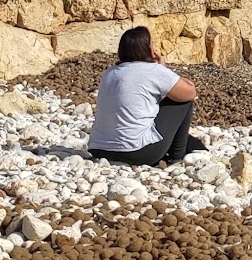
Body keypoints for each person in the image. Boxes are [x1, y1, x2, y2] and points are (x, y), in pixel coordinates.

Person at [87, 26, 206, 166]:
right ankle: (176, 157)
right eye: (152, 44)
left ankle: (184, 149)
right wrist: (162, 68)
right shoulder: (153, 71)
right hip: (136, 152)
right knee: (182, 101)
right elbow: (190, 92)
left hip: (99, 149)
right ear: (147, 48)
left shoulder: (110, 73)